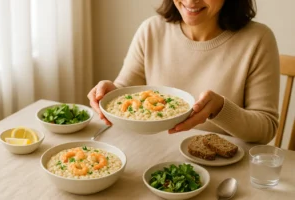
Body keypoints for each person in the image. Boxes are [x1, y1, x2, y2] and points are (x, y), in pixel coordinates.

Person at [87, 0, 280, 144]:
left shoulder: (258, 39)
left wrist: (220, 109)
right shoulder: (151, 30)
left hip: (223, 168)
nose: (191, 1)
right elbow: (125, 90)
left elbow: (266, 128)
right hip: (156, 155)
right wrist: (111, 92)